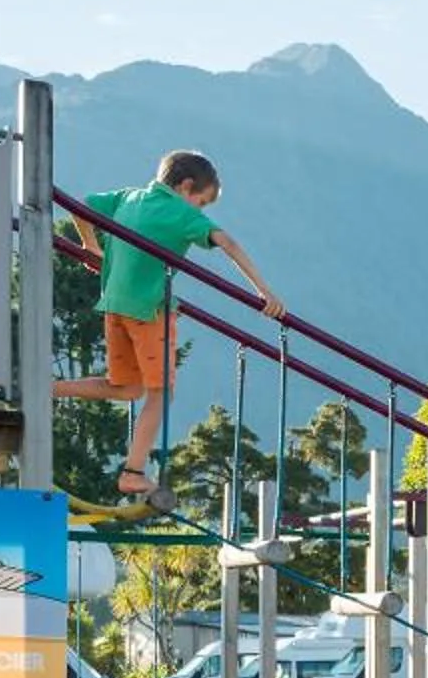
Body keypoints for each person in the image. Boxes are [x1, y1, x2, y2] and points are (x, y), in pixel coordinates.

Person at [52, 151, 286, 507]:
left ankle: (48, 389)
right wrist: (264, 292)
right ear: (186, 186)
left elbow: (82, 206)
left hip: (114, 306)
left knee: (127, 388)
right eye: (201, 202)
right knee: (161, 394)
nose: (200, 210)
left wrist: (91, 245)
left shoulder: (130, 197)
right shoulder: (182, 213)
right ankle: (132, 472)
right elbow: (228, 243)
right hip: (150, 310)